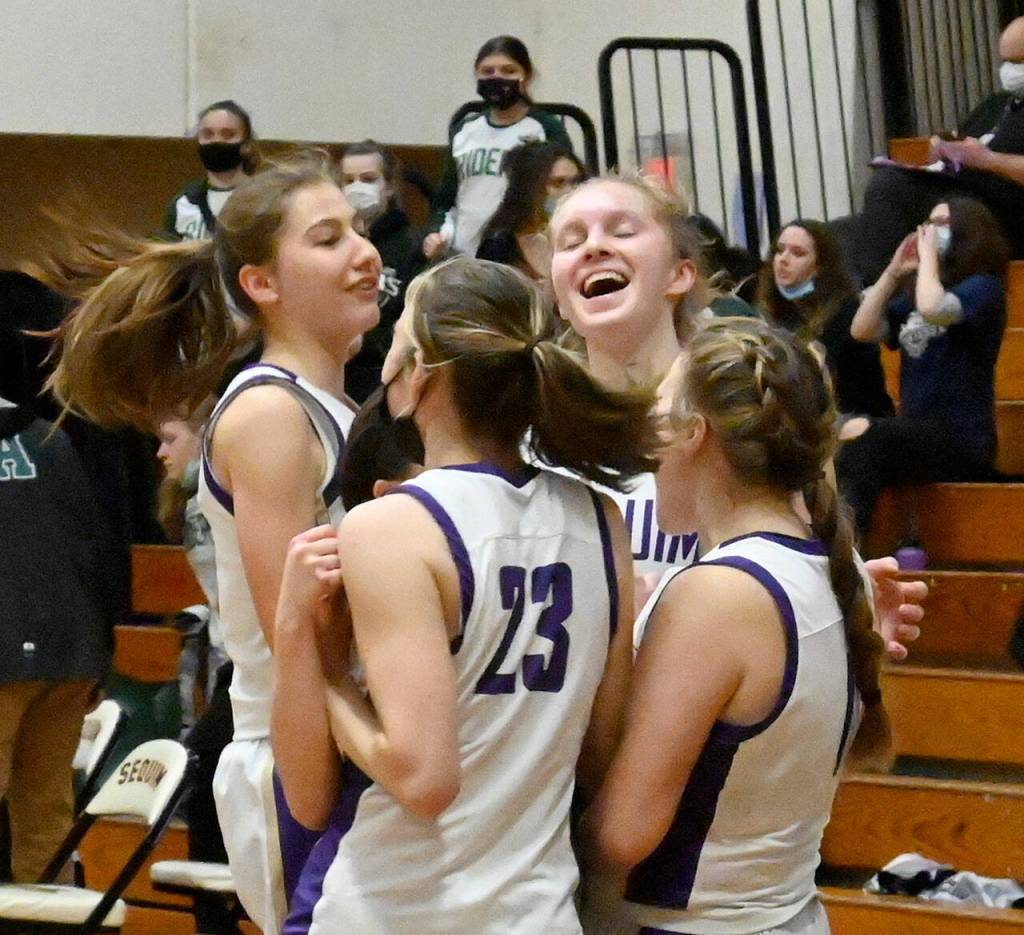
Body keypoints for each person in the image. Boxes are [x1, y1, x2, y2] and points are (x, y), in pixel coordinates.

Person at [47, 151, 381, 935]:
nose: (364, 251)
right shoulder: (269, 413)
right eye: (329, 238)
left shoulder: (335, 405)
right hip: (305, 748)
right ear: (262, 283)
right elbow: (292, 625)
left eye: (360, 230)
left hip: (346, 736)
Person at [274, 256, 653, 933]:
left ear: (423, 373)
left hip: (398, 907)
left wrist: (320, 665)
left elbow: (417, 780)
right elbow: (599, 754)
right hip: (537, 911)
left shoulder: (390, 525)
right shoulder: (602, 519)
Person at [584, 318, 889, 935]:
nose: (647, 446)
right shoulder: (831, 567)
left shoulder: (719, 595)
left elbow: (622, 833)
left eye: (659, 419)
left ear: (695, 436)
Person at [548, 175, 926, 650]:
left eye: (622, 232)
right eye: (572, 240)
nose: (595, 247)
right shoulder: (528, 433)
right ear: (558, 297)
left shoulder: (751, 406)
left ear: (679, 275)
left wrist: (839, 606)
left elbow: (811, 562)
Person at [839, 198, 1008, 533]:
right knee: (846, 442)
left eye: (942, 223)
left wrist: (927, 259)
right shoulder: (914, 299)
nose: (930, 231)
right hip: (917, 434)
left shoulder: (983, 288)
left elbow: (934, 308)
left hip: (961, 439)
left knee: (866, 435)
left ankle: (848, 548)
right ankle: (847, 544)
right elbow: (861, 328)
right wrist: (893, 271)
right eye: (928, 222)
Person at [0, 390, 114, 884]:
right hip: (70, 651)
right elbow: (95, 544)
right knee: (47, 820)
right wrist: (102, 653)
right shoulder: (52, 439)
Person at [852, 16, 1024, 282]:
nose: (1010, 70)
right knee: (888, 187)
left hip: (1006, 211)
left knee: (892, 188)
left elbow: (986, 158)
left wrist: (990, 160)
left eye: (1018, 62)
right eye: (1006, 61)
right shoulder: (999, 103)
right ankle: (884, 291)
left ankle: (881, 289)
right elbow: (964, 140)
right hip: (964, 193)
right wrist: (943, 147)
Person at [424, 35, 574, 259]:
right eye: (488, 71)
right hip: (465, 253)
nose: (497, 77)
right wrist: (435, 233)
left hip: (523, 252)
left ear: (527, 77)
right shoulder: (465, 130)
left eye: (508, 70)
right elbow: (445, 199)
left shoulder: (545, 128)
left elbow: (564, 188)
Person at [756, 220, 894, 422]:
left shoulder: (845, 313)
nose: (783, 260)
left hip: (856, 422)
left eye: (798, 253)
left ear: (819, 266)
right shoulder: (777, 312)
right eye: (779, 250)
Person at [339, 140, 428, 402]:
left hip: (384, 376)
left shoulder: (412, 245)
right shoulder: (331, 246)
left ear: (388, 186)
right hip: (338, 371)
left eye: (367, 179)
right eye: (348, 180)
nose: (357, 188)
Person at [477, 140, 586, 279]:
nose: (571, 191)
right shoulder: (497, 248)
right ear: (528, 188)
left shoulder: (591, 238)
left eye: (576, 182)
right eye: (558, 183)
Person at [164, 100, 258, 242]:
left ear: (247, 145)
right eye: (207, 134)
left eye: (228, 135)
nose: (216, 141)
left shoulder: (265, 200)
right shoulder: (183, 202)